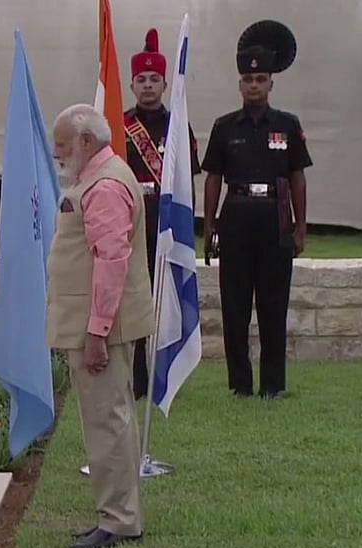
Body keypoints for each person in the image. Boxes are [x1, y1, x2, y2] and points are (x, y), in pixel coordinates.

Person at [45, 103, 155, 548]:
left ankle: (119, 520)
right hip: (99, 322)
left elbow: (111, 262)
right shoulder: (98, 177)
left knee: (107, 421)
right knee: (112, 419)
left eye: (62, 145)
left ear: (86, 142)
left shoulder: (105, 185)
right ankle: (119, 514)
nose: (56, 153)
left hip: (101, 327)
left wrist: (96, 334)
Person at [200, 20, 312, 399]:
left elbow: (297, 178)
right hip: (236, 218)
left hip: (274, 219)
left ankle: (273, 385)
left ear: (270, 84)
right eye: (248, 80)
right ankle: (240, 384)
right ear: (239, 84)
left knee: (273, 306)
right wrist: (209, 225)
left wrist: (300, 228)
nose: (254, 85)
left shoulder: (287, 125)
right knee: (234, 307)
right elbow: (213, 179)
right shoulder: (224, 127)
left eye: (260, 79)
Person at [124, 27, 203, 402]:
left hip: (166, 226)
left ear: (165, 84)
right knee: (137, 301)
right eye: (141, 79)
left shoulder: (177, 126)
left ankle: (164, 374)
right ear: (132, 85)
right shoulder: (119, 126)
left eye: (154, 79)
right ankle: (138, 378)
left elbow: (187, 182)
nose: (148, 86)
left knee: (165, 300)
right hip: (131, 225)